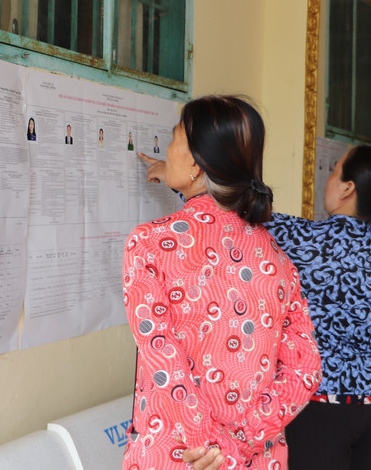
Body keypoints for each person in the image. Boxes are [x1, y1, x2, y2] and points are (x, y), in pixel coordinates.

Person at [123, 95, 322, 470]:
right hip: (258, 460)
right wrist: (240, 445)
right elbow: (305, 368)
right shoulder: (277, 258)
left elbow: (164, 358)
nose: (167, 152)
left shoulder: (149, 243)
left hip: (182, 456)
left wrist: (212, 449)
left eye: (173, 139)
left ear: (196, 163)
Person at [268, 146, 371, 470]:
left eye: (334, 171)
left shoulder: (298, 237)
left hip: (316, 403)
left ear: (347, 188)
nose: (328, 179)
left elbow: (228, 214)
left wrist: (180, 183)